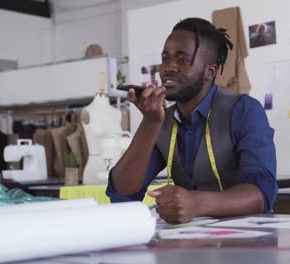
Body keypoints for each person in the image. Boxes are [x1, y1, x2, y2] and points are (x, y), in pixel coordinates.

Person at [107, 17, 277, 224]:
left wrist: (196, 203)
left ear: (210, 71)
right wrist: (149, 124)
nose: (168, 67)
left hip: (247, 242)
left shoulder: (244, 111)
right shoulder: (161, 121)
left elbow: (261, 193)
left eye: (181, 60)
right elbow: (123, 194)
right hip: (191, 244)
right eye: (165, 58)